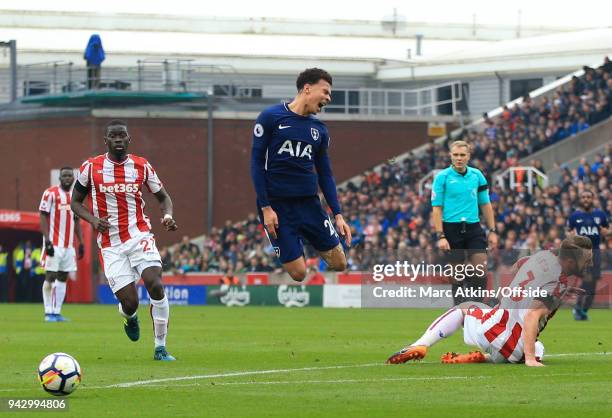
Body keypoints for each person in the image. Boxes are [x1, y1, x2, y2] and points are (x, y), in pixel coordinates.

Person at [386, 236, 592, 366]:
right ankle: (425, 346)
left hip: (499, 333)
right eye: (587, 259)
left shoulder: (542, 257)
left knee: (466, 309)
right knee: (536, 347)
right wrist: (529, 359)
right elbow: (532, 315)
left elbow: (517, 266)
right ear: (570, 261)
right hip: (512, 344)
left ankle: (422, 344)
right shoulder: (559, 282)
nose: (590, 262)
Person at [71, 119, 178, 361]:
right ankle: (130, 316)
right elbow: (75, 202)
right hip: (110, 244)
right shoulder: (91, 167)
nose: (118, 139)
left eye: (122, 135)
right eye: (113, 136)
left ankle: (160, 347)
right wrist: (92, 220)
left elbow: (163, 197)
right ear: (106, 140)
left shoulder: (141, 166)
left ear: (129, 139)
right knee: (130, 303)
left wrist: (168, 216)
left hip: (139, 233)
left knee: (155, 284)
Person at [250, 68, 352, 282]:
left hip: (309, 206)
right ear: (307, 88)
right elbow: (257, 164)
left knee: (340, 263)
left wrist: (338, 214)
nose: (328, 98)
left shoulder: (319, 130)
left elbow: (325, 174)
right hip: (278, 208)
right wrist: (266, 208)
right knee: (298, 274)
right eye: (325, 92)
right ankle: (292, 241)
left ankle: (308, 236)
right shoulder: (271, 117)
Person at [431, 140, 498, 304]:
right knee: (457, 275)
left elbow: (485, 204)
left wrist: (493, 230)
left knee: (480, 269)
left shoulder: (477, 175)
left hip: (473, 227)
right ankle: (460, 311)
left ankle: (478, 310)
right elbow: (437, 208)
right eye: (455, 155)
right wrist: (441, 235)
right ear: (450, 156)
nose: (459, 158)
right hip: (451, 228)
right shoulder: (442, 178)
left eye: (462, 155)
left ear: (468, 156)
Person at [39, 167, 85, 322]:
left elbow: (77, 221)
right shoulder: (50, 193)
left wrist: (81, 243)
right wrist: (47, 241)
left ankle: (57, 312)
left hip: (69, 246)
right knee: (50, 275)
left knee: (63, 277)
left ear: (73, 178)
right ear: (60, 178)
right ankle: (48, 312)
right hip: (54, 244)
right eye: (64, 175)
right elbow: (43, 216)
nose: (67, 178)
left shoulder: (75, 197)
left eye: (70, 176)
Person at [566, 190, 609, 320]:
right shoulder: (575, 216)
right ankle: (578, 307)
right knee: (587, 279)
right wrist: (571, 238)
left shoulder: (600, 215)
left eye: (588, 197)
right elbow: (568, 231)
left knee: (594, 282)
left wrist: (606, 233)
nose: (586, 199)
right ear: (581, 199)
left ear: (592, 199)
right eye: (584, 197)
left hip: (595, 251)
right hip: (582, 252)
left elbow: (606, 230)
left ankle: (583, 310)